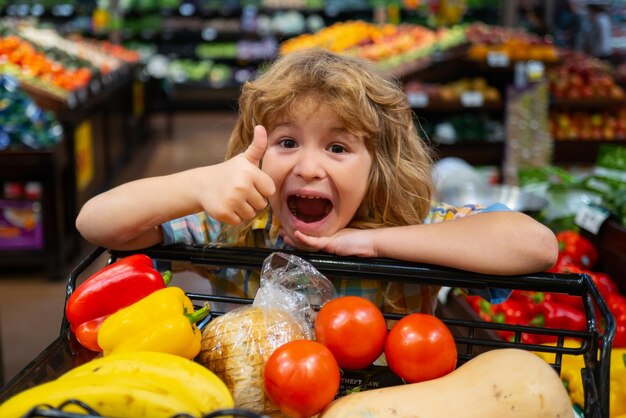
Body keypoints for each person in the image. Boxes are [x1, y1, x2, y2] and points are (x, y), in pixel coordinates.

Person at [76, 48, 558, 314]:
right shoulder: (242, 227)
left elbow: (535, 245)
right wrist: (200, 184)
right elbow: (97, 223)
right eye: (287, 143)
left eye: (338, 147)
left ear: (379, 168)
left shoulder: (406, 227)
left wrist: (380, 245)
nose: (308, 168)